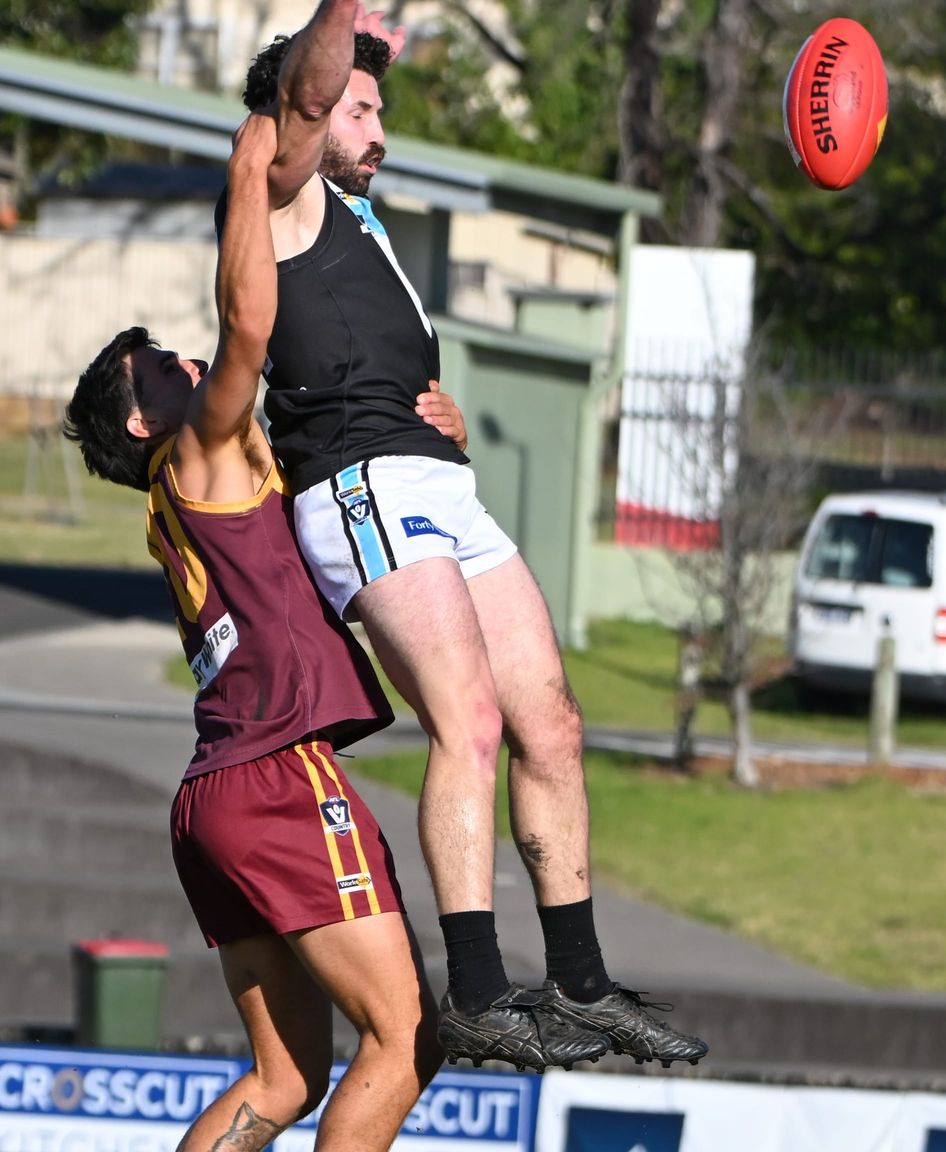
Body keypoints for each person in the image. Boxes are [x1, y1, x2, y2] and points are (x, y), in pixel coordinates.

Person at [63, 29, 607, 1152]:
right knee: (409, 1031)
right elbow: (255, 324)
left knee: (285, 1076)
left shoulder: (184, 499)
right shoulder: (199, 443)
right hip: (272, 776)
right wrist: (252, 178)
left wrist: (421, 427)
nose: (181, 360)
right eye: (155, 366)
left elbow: (302, 395)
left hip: (212, 798)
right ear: (142, 425)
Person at [237, 7, 709, 1074]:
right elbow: (307, 97)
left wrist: (434, 412)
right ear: (301, 113)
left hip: (432, 480)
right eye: (362, 108)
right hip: (361, 488)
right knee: (472, 721)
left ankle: (580, 985)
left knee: (553, 719)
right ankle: (479, 991)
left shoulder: (361, 219)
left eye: (380, 108)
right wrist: (341, 25)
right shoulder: (285, 185)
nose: (378, 126)